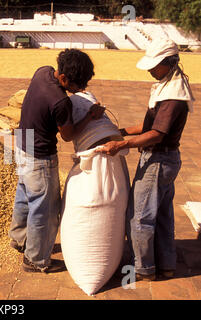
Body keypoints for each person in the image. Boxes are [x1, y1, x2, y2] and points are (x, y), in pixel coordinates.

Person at [97, 38, 195, 281]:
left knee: (139, 215)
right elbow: (150, 125)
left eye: (155, 65)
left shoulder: (173, 96)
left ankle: (143, 268)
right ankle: (166, 263)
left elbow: (157, 133)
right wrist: (122, 131)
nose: (151, 70)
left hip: (158, 160)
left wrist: (122, 144)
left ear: (169, 62)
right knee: (161, 213)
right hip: (167, 159)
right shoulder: (171, 84)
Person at [9, 49, 105, 273]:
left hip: (23, 147)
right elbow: (68, 135)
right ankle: (35, 259)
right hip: (40, 158)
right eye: (77, 85)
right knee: (45, 210)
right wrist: (90, 115)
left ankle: (19, 239)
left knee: (24, 195)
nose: (81, 89)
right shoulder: (60, 101)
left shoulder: (42, 72)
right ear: (63, 79)